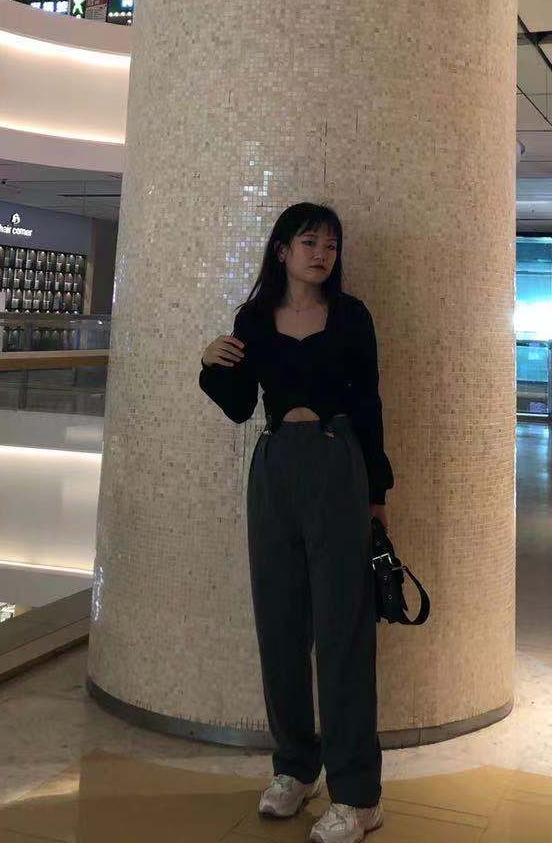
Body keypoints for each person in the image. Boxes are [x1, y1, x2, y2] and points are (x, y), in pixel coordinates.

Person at [200, 202, 392, 843]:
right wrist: (211, 363)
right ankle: (295, 767)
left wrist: (377, 493)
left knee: (343, 633)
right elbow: (239, 407)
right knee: (279, 624)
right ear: (281, 250)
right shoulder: (253, 319)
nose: (322, 254)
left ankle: (359, 795)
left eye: (331, 244)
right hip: (275, 465)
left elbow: (369, 404)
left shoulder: (352, 316)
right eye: (309, 242)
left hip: (339, 464)